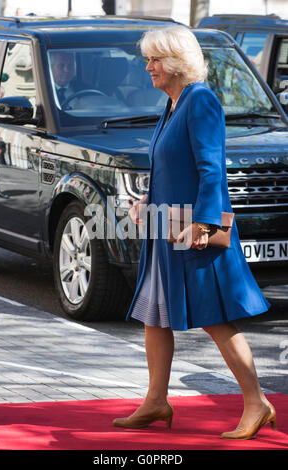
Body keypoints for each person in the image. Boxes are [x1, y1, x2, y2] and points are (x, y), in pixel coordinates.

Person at [112, 26, 277, 440]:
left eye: (155, 59)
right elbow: (175, 168)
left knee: (216, 319)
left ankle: (257, 403)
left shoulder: (200, 100)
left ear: (176, 62)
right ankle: (156, 401)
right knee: (154, 314)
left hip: (192, 231)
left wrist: (204, 223)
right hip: (167, 231)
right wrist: (147, 202)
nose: (148, 66)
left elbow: (211, 168)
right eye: (148, 58)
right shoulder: (173, 103)